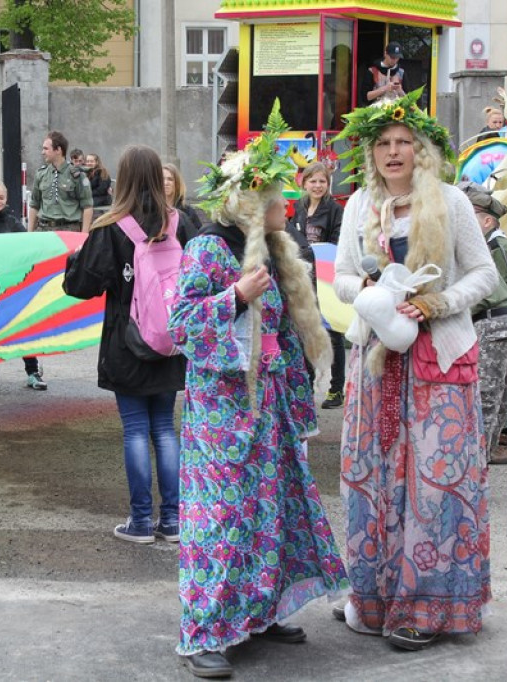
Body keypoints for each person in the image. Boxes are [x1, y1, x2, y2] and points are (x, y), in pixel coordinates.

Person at [170, 103, 349, 679]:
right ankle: (203, 633)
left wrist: (301, 397)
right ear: (249, 202)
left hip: (266, 410)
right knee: (222, 519)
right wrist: (235, 297)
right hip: (222, 417)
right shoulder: (208, 248)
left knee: (269, 512)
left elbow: (284, 335)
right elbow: (181, 327)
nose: (288, 203)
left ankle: (261, 612)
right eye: (276, 195)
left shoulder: (274, 247)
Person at [332, 88, 498, 651]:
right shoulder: (358, 205)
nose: (394, 151)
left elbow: (483, 274)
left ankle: (428, 607)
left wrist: (434, 304)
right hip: (375, 359)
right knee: (371, 480)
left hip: (436, 360)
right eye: (383, 142)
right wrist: (375, 292)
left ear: (421, 150)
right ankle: (372, 598)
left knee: (436, 485)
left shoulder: (450, 202)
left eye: (404, 141)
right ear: (371, 152)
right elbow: (341, 279)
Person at [63, 145, 193, 546]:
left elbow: (80, 286)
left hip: (128, 342)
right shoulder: (182, 222)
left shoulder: (111, 226)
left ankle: (140, 521)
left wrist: (75, 259)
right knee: (166, 432)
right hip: (171, 341)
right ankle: (172, 521)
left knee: (135, 430)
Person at [462, 183, 507, 465]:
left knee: (486, 401)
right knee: (498, 400)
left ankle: (476, 468)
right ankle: (483, 461)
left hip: (494, 324)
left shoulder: (470, 243)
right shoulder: (478, 244)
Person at [0, 178, 48, 391]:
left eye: (1, 198)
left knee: (21, 326)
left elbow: (27, 250)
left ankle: (32, 371)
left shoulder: (14, 224)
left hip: (12, 286)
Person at [293, 161, 346, 408]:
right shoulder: (300, 209)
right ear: (304, 183)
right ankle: (307, 382)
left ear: (328, 184)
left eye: (322, 181)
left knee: (332, 332)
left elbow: (338, 241)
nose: (317, 186)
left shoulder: (335, 209)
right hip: (303, 279)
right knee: (305, 330)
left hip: (326, 277)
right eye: (312, 181)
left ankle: (336, 388)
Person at [28, 131, 93, 233]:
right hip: (43, 230)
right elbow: (34, 205)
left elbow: (87, 206)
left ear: (58, 150)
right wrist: (29, 234)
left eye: (46, 148)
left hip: (69, 230)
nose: (42, 152)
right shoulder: (41, 174)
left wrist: (84, 236)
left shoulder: (77, 175)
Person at [162, 163, 204, 235]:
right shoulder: (152, 210)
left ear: (177, 183)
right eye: (162, 179)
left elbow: (198, 238)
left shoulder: (187, 212)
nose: (166, 183)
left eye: (170, 179)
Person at [361, 41, 405, 105]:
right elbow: (365, 97)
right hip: (375, 112)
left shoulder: (402, 72)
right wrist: (385, 88)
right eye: (392, 57)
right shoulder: (372, 71)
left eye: (397, 58)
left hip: (397, 112)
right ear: (385, 54)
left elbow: (409, 99)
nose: (395, 60)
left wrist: (400, 91)